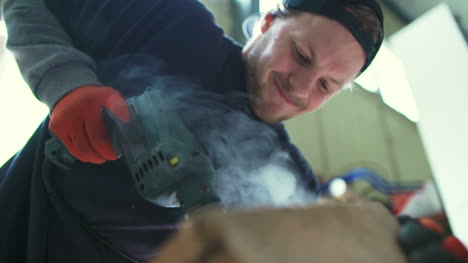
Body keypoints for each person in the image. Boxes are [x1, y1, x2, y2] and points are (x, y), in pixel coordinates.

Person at [3, 0, 440, 262]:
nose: (301, 88)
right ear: (268, 22)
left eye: (327, 85)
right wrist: (65, 83)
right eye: (301, 55)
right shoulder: (172, 23)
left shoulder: (293, 181)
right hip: (20, 222)